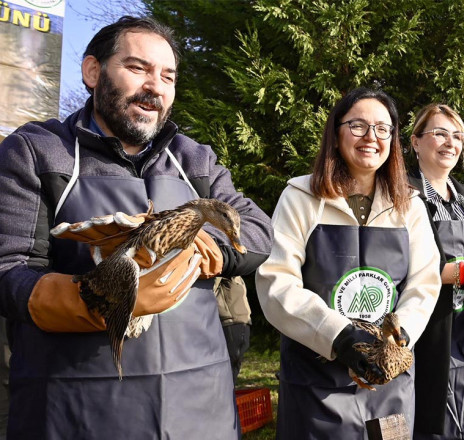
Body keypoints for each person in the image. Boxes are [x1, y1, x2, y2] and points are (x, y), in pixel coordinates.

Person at [0, 16, 273, 438]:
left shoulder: (195, 159)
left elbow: (256, 229)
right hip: (76, 409)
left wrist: (191, 248)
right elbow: (9, 270)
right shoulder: (37, 150)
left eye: (168, 76)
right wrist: (102, 297)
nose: (155, 86)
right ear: (93, 72)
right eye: (137, 68)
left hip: (198, 406)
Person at [255, 87, 442, 438]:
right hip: (317, 383)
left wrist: (395, 343)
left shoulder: (410, 205)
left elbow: (424, 282)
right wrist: (340, 338)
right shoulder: (301, 197)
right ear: (336, 132)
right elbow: (276, 282)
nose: (371, 137)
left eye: (382, 129)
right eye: (358, 126)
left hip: (389, 382)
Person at [407, 104, 464, 439]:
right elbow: (393, 264)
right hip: (425, 334)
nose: (450, 142)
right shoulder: (400, 194)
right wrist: (458, 273)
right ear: (416, 142)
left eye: (457, 135)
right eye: (440, 134)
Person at [214, 276, 252, 383]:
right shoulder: (222, 272)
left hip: (244, 321)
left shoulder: (238, 276)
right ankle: (225, 394)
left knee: (236, 361)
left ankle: (230, 393)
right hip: (230, 322)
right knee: (231, 359)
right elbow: (210, 289)